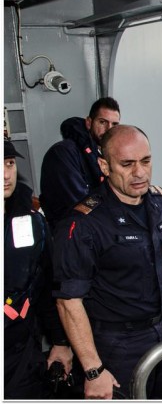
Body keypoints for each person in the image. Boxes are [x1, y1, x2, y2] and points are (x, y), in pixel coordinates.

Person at [52, 125, 162, 399]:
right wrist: (94, 370)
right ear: (104, 166)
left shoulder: (158, 203)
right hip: (117, 345)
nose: (139, 173)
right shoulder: (83, 225)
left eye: (145, 161)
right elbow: (68, 301)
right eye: (127, 164)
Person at [4, 139, 73, 398]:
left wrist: (60, 342)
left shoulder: (33, 225)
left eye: (9, 163)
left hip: (21, 351)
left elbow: (47, 286)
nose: (6, 173)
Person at [40, 96, 121, 230]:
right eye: (102, 122)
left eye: (114, 124)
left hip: (100, 228)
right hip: (72, 234)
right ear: (89, 123)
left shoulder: (108, 155)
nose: (108, 129)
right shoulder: (63, 153)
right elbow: (81, 204)